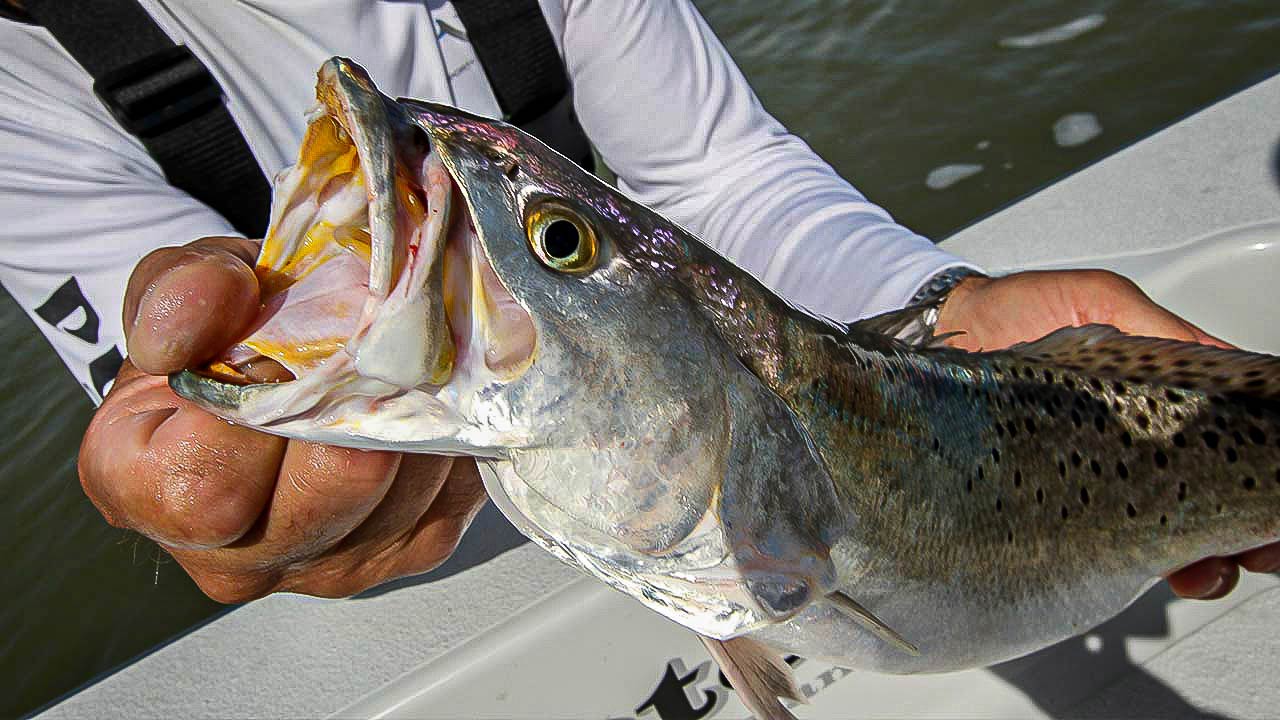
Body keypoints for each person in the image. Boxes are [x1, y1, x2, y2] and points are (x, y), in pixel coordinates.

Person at [1, 0, 1274, 606]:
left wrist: (929, 313)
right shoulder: (19, 80)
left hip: (718, 440)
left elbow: (716, 166)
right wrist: (229, 474)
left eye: (539, 233)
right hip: (420, 571)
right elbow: (203, 431)